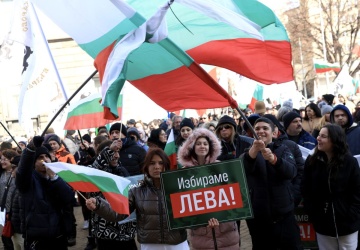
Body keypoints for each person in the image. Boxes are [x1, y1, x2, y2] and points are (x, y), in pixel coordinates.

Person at [86, 148, 189, 249]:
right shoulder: (136, 192)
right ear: (146, 167)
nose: (157, 167)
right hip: (150, 245)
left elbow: (194, 213)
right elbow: (117, 213)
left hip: (178, 244)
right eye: (152, 163)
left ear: (166, 165)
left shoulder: (179, 188)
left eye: (161, 163)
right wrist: (99, 205)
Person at [242, 117, 302, 250]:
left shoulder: (284, 149)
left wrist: (274, 160)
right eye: (257, 128)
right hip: (259, 219)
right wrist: (252, 154)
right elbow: (241, 173)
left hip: (284, 217)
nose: (261, 131)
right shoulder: (247, 153)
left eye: (265, 128)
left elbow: (291, 171)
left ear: (273, 133)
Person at [177, 128, 240, 250]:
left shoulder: (221, 167)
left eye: (205, 144)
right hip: (201, 235)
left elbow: (233, 196)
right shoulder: (185, 173)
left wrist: (221, 216)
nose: (202, 146)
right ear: (192, 147)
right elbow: (184, 203)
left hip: (226, 233)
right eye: (198, 143)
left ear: (210, 147)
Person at [301, 124, 360, 249]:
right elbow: (306, 189)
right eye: (319, 135)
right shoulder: (312, 161)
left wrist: (351, 215)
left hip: (347, 225)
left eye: (323, 136)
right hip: (323, 224)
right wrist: (314, 213)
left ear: (334, 140)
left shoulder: (350, 162)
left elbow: (357, 191)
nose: (318, 138)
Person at [16, 136, 74, 250]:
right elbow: (23, 169)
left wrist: (54, 178)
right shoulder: (28, 180)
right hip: (37, 239)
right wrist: (30, 149)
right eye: (40, 157)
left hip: (58, 236)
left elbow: (69, 198)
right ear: (34, 162)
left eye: (47, 156)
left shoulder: (57, 177)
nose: (45, 159)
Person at [87, 139, 136, 250]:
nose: (116, 156)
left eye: (118, 152)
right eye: (113, 152)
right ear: (101, 154)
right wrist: (109, 150)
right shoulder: (93, 172)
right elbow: (93, 174)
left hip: (126, 233)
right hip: (106, 234)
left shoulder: (123, 171)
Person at [0, 150, 19, 250]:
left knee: (15, 236)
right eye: (1, 159)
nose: (2, 161)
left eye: (5, 159)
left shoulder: (18, 173)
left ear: (12, 160)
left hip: (14, 210)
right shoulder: (2, 173)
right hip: (3, 209)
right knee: (5, 235)